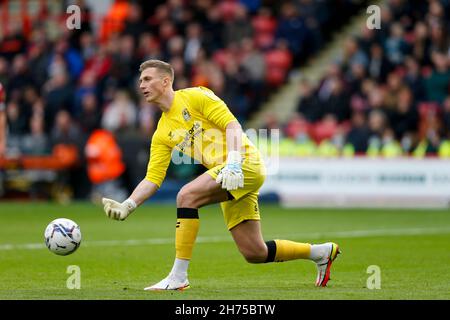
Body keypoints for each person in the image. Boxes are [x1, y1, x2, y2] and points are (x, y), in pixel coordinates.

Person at [102, 59, 340, 291]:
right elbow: (152, 179)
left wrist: (234, 163)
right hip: (226, 176)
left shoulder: (196, 96)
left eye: (147, 79)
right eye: (140, 80)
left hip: (243, 164)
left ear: (166, 81)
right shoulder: (162, 132)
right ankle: (320, 252)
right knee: (254, 252)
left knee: (186, 196)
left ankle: (178, 277)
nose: (141, 85)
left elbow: (232, 125)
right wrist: (128, 205)